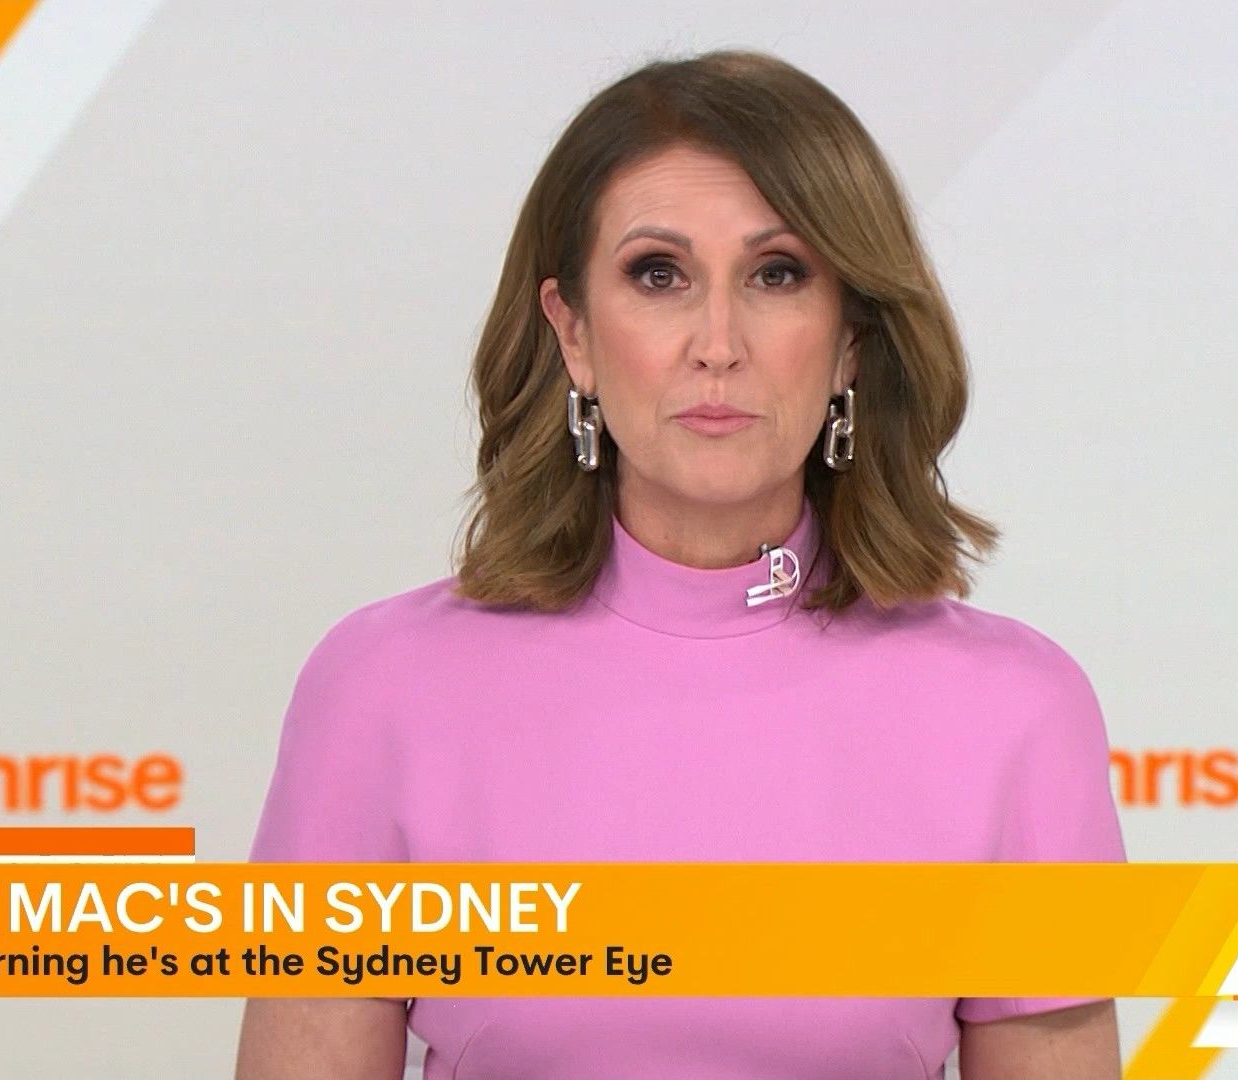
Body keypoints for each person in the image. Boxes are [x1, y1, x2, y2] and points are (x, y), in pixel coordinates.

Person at [235, 48, 1125, 1080]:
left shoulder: (1016, 711)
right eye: (658, 275)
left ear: (849, 340)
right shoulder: (379, 689)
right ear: (572, 332)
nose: (717, 343)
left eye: (777, 274)